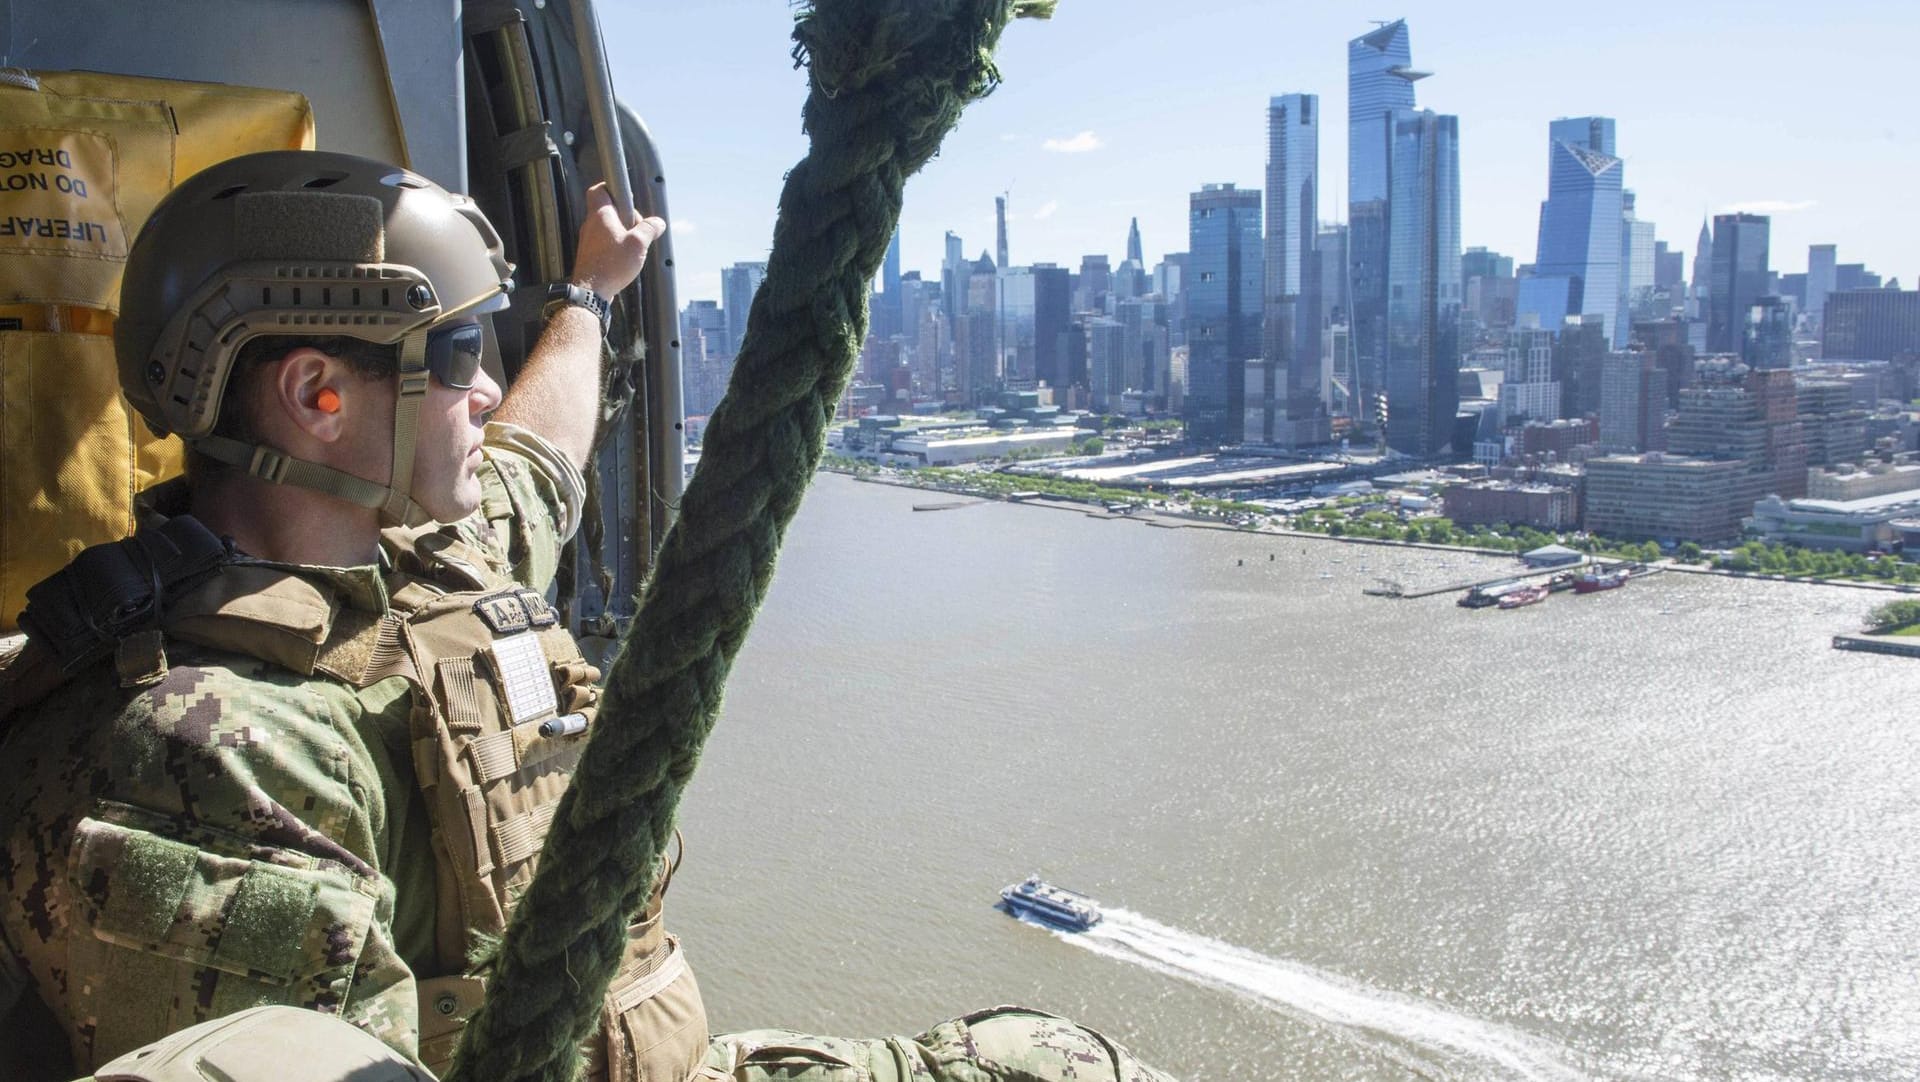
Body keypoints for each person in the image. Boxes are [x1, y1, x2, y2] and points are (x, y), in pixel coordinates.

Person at [0, 150, 1171, 1082]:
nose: (482, 387)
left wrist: (588, 291)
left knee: (1054, 1059)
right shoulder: (209, 752)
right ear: (316, 396)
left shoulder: (421, 562)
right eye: (456, 350)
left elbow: (540, 449)